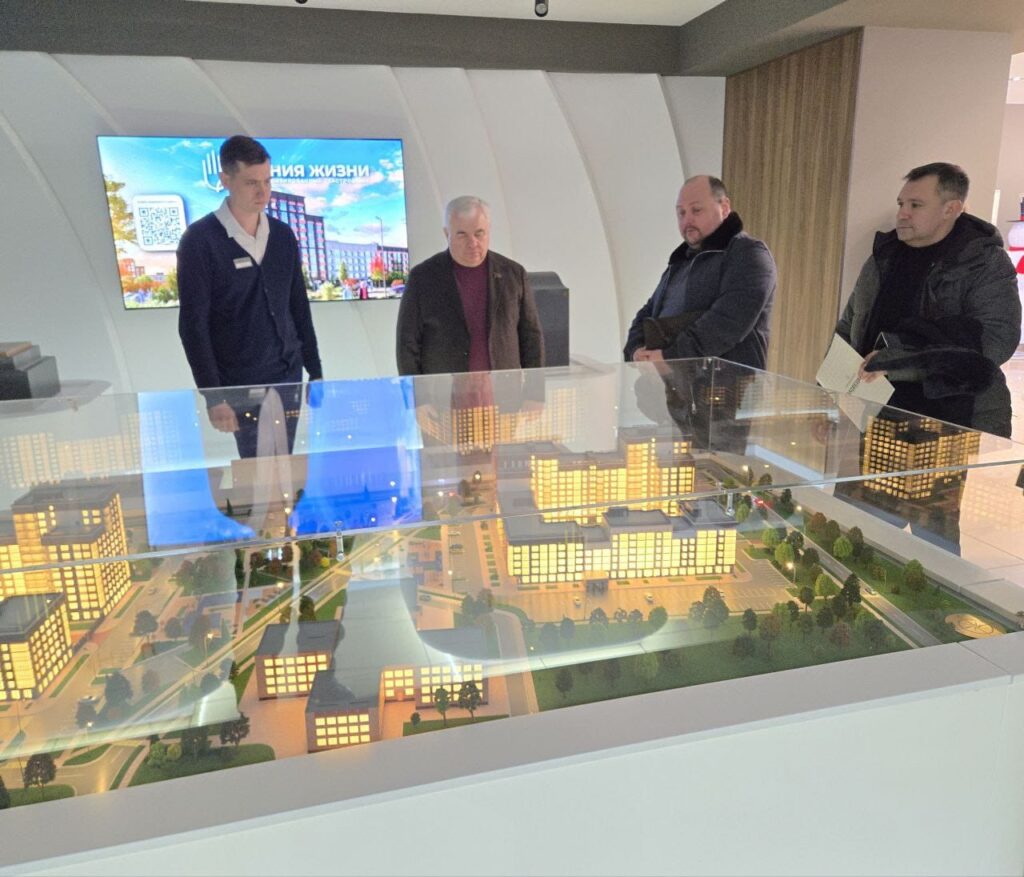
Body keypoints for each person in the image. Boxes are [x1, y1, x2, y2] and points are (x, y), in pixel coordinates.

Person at [838, 162, 1020, 437]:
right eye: (901, 204)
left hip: (953, 421)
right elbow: (849, 327)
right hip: (875, 414)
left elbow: (996, 341)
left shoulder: (984, 263)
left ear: (951, 209)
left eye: (916, 205)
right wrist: (830, 400)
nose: (902, 213)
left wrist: (898, 361)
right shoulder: (883, 257)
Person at [177, 135, 322, 457]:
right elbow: (192, 326)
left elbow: (298, 307)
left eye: (267, 181)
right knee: (255, 470)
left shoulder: (282, 235)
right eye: (251, 183)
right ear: (225, 180)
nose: (262, 192)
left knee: (285, 463)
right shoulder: (199, 241)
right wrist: (214, 396)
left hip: (288, 374)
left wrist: (316, 371)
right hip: (238, 382)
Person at [623, 175, 776, 369]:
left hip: (728, 385)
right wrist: (636, 350)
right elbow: (648, 312)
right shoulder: (680, 262)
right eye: (681, 213)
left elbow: (726, 323)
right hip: (667, 384)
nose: (687, 220)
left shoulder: (749, 254)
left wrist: (669, 358)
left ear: (724, 207)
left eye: (696, 210)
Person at [396, 195, 544, 377]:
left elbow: (531, 338)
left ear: (489, 231)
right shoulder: (422, 278)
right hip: (444, 393)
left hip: (504, 391)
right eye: (462, 234)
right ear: (446, 234)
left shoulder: (514, 275)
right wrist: (418, 393)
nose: (472, 243)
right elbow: (407, 346)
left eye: (479, 233)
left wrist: (534, 389)